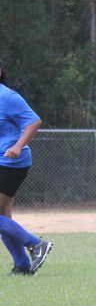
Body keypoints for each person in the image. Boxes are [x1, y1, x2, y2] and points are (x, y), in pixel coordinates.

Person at [0, 59, 53, 275]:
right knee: (4, 216)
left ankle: (35, 244)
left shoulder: (7, 96)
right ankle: (22, 265)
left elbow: (34, 121)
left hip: (11, 163)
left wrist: (18, 145)